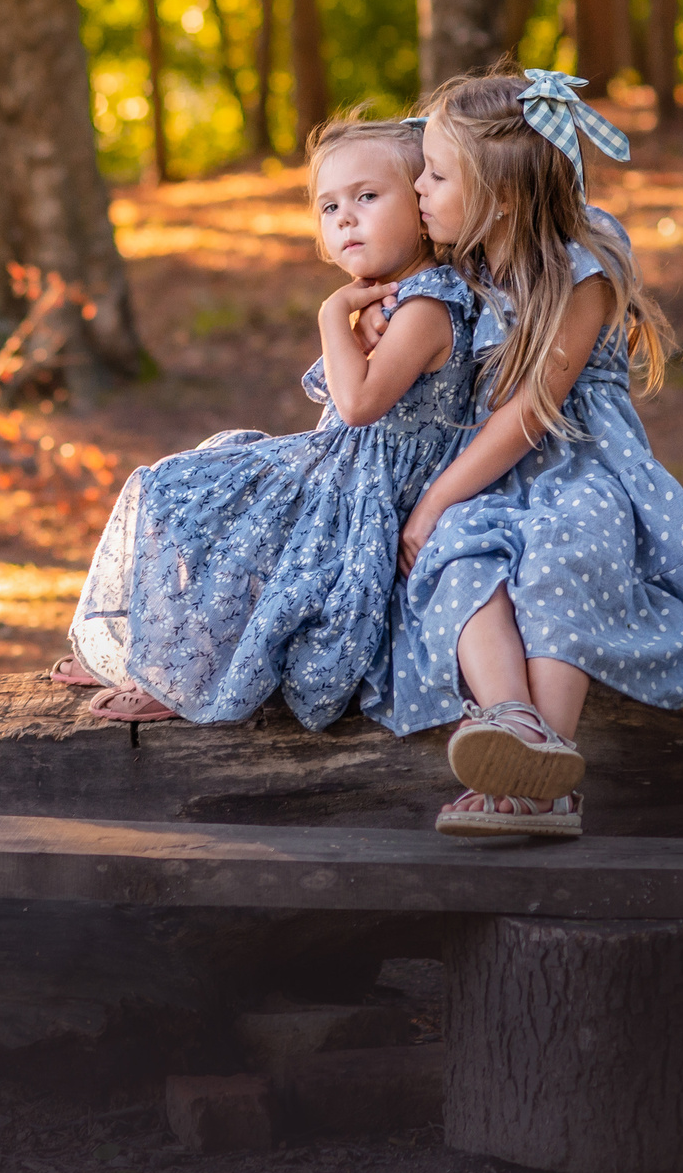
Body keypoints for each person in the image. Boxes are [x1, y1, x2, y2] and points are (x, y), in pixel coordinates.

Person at [372, 68, 683, 839]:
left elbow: (533, 411)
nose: (418, 186)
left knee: (565, 548)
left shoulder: (584, 257)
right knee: (460, 554)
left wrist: (436, 495)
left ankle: (543, 778)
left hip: (574, 459)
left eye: (438, 174)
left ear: (504, 196)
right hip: (486, 464)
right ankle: (509, 726)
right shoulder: (464, 257)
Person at [53, 117, 479, 729]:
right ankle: (152, 653)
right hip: (343, 470)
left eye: (367, 196)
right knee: (200, 481)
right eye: (329, 205)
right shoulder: (389, 298)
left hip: (369, 494)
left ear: (421, 203)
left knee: (194, 494)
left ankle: (179, 676)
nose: (345, 218)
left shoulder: (428, 306)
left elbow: (357, 406)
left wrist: (333, 316)